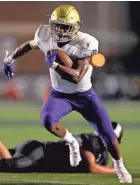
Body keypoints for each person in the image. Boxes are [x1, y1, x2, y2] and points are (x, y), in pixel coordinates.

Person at [3, 4, 132, 183]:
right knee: (47, 120)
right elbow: (29, 45)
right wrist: (10, 59)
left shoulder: (85, 41)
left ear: (75, 27)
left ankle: (119, 166)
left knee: (108, 134)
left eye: (65, 26)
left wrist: (54, 64)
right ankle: (72, 143)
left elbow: (77, 77)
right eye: (57, 25)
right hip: (60, 94)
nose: (60, 30)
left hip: (84, 96)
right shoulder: (45, 34)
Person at [0, 122, 122, 174]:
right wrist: (115, 170)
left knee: (10, 162)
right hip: (39, 151)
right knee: (12, 165)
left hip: (39, 158)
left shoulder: (102, 156)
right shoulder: (92, 143)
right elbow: (91, 166)